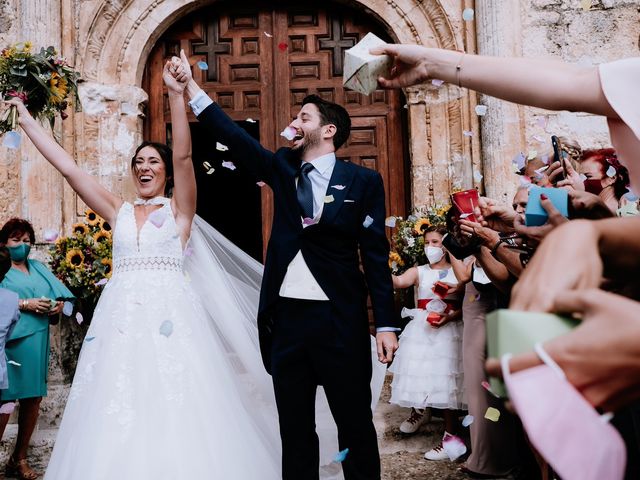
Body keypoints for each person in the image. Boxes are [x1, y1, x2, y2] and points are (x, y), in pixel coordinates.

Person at [6, 59, 289, 479]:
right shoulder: (116, 211)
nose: (145, 167)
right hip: (119, 326)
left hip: (174, 323)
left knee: (176, 402)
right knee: (119, 403)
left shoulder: (180, 213)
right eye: (139, 161)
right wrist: (25, 119)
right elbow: (68, 169)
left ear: (166, 172)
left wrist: (176, 94)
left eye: (153, 161)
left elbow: (185, 154)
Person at [174, 49, 398, 480]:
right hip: (288, 321)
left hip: (340, 319)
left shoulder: (364, 181)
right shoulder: (281, 168)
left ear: (329, 130)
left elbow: (374, 254)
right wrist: (191, 90)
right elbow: (236, 139)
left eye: (305, 117)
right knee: (295, 430)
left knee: (354, 425)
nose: (296, 123)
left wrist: (385, 324)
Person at [0, 218, 73, 480]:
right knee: (5, 400)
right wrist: (24, 303)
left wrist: (58, 308)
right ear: (4, 243)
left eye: (27, 240)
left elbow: (62, 299)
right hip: (10, 342)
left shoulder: (39, 267)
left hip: (37, 339)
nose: (23, 245)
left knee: (33, 399)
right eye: (16, 240)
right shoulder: (1, 269)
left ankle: (18, 459)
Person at [389, 227, 464, 461]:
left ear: (446, 245)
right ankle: (419, 412)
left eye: (435, 242)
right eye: (426, 242)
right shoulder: (419, 271)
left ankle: (450, 436)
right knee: (418, 372)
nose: (429, 247)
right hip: (423, 328)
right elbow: (398, 282)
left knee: (446, 380)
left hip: (449, 329)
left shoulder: (458, 273)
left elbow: (469, 302)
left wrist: (451, 316)